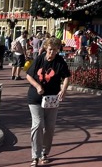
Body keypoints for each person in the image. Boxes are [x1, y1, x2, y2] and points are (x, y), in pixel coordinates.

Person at [26, 37, 71, 166]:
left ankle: (44, 153)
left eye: (55, 50)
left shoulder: (59, 61)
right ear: (46, 48)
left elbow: (66, 76)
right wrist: (38, 86)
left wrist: (63, 89)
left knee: (50, 127)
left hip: (51, 98)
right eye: (50, 50)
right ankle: (35, 155)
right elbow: (29, 75)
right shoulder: (39, 59)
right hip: (36, 97)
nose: (52, 53)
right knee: (38, 124)